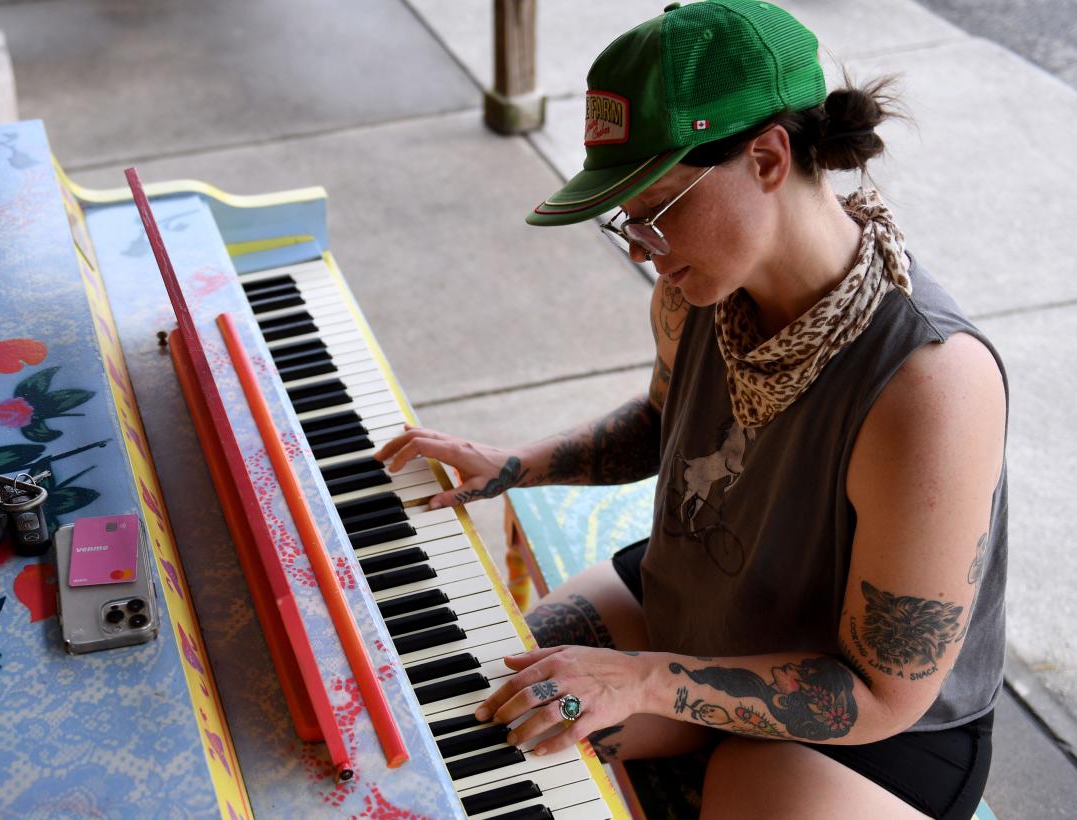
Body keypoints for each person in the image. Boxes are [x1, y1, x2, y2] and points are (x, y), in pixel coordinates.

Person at [375, 1, 1007, 818]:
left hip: (869, 723)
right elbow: (662, 424)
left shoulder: (929, 386)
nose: (638, 245)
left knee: (744, 790)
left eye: (655, 209)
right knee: (477, 711)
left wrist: (644, 682)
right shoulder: (697, 291)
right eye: (624, 218)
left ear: (769, 158)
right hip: (706, 596)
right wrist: (514, 464)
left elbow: (885, 694)